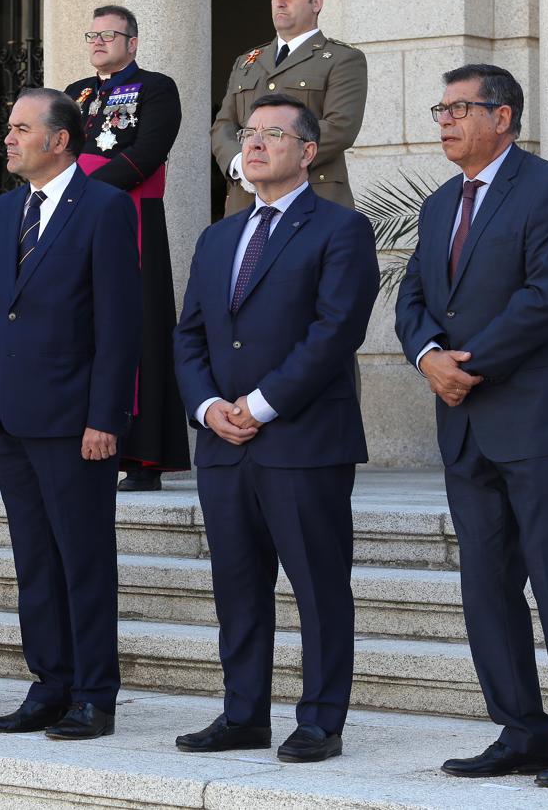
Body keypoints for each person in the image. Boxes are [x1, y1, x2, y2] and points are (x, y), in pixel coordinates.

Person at [394, 64, 548, 787]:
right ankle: (521, 730)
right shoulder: (435, 206)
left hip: (546, 422)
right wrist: (429, 357)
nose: (446, 121)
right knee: (486, 587)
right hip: (465, 427)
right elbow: (412, 298)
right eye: (442, 108)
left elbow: (547, 297)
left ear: (504, 117)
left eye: (461, 108)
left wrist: (467, 365)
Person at [173, 93, 378, 762]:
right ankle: (243, 714)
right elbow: (191, 337)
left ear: (308, 153)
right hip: (223, 447)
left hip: (302, 441)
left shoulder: (340, 230)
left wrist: (257, 406)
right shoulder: (218, 236)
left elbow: (333, 333)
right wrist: (207, 408)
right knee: (236, 584)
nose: (254, 144)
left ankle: (321, 719)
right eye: (249, 133)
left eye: (272, 135)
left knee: (318, 587)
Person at [0, 88, 141, 740]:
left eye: (20, 128)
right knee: (35, 564)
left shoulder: (105, 207)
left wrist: (106, 417)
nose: (8, 139)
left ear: (60, 139)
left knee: (84, 562)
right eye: (8, 128)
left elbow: (118, 323)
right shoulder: (4, 211)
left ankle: (94, 694)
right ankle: (49, 685)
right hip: (15, 420)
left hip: (78, 424)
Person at [65, 4, 190, 491]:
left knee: (139, 322)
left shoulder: (156, 88)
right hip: (77, 216)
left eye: (109, 35)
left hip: (129, 213)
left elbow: (148, 151)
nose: (98, 42)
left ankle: (143, 455)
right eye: (92, 34)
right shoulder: (75, 94)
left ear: (132, 42)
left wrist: (88, 188)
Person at [211, 0, 367, 215]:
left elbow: (340, 127)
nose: (280, 2)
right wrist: (241, 163)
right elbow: (224, 125)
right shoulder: (247, 61)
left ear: (317, 3)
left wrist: (276, 160)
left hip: (313, 197)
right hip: (247, 199)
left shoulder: (342, 59)